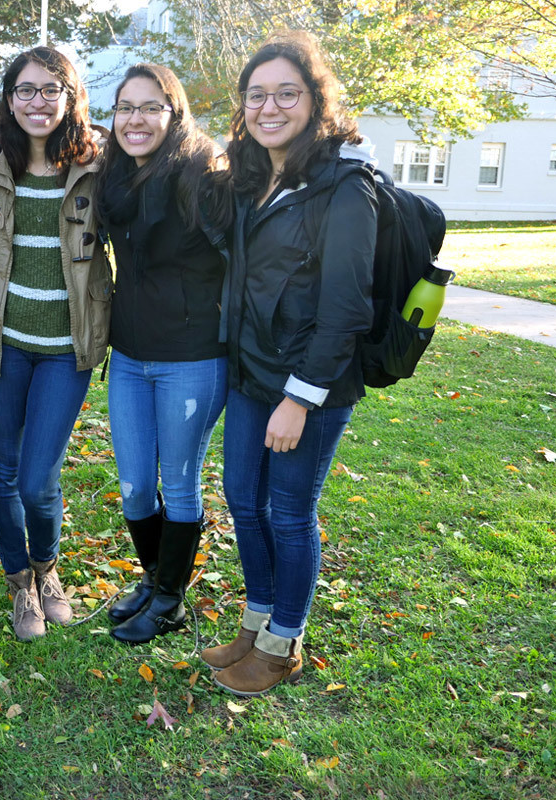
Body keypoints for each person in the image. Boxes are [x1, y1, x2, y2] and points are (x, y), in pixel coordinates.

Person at [205, 31, 376, 696]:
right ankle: (256, 623)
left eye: (286, 93)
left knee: (288, 511)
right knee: (243, 502)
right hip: (251, 375)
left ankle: (284, 643)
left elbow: (345, 309)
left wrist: (299, 399)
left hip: (310, 384)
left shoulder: (344, 185)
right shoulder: (254, 178)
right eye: (257, 95)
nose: (269, 107)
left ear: (314, 101)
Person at [93, 64, 233, 645]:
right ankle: (154, 581)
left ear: (174, 113)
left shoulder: (204, 174)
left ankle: (172, 600)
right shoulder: (115, 179)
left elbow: (244, 258)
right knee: (132, 485)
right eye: (126, 107)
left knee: (178, 484)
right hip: (128, 354)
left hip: (192, 357)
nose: (136, 119)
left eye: (151, 107)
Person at [0, 47, 109, 641]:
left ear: (70, 97)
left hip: (65, 348)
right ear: (10, 99)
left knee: (37, 479)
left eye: (50, 90)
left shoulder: (96, 169)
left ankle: (48, 569)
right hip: (4, 347)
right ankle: (20, 586)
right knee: (1, 474)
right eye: (26, 90)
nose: (38, 102)